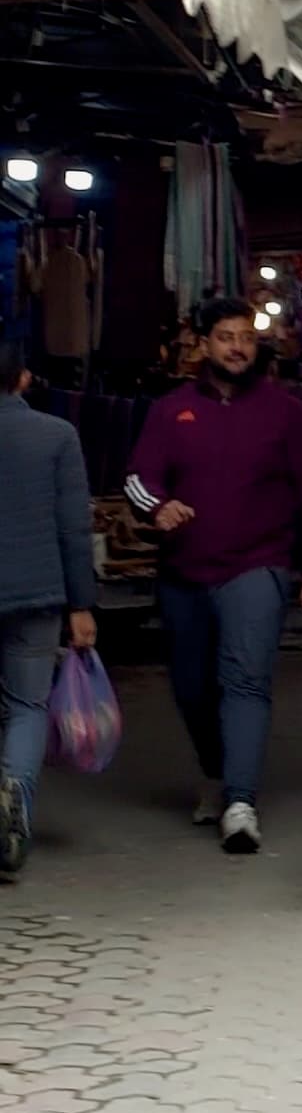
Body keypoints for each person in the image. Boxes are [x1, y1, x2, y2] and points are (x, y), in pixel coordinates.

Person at [125, 294, 302, 855]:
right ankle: (218, 774)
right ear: (203, 344)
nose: (238, 347)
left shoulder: (286, 412)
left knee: (245, 680)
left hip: (256, 566)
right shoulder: (170, 411)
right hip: (184, 573)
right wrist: (158, 508)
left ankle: (240, 803)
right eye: (226, 337)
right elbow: (137, 480)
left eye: (245, 337)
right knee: (193, 688)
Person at [0, 343, 99, 876]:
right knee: (26, 705)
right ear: (23, 378)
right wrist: (81, 605)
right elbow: (73, 530)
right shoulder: (56, 436)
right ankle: (15, 799)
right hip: (36, 594)